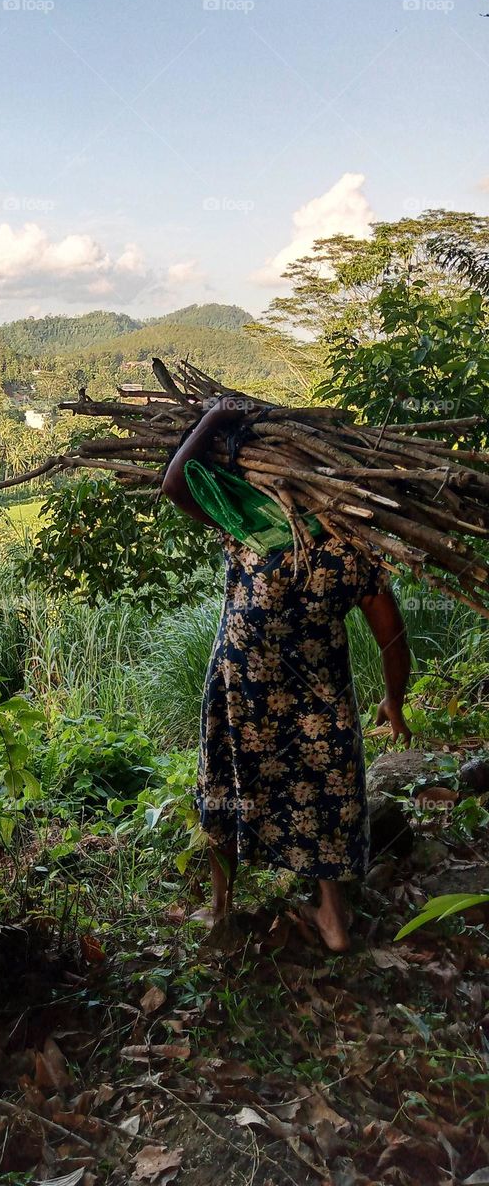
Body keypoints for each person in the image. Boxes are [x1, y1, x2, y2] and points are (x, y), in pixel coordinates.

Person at [160, 395, 412, 952]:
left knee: (226, 782)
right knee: (328, 791)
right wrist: (394, 701)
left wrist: (213, 420)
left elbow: (175, 484)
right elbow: (393, 638)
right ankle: (332, 916)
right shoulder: (354, 546)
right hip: (319, 700)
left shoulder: (249, 522)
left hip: (243, 688)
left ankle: (223, 906)